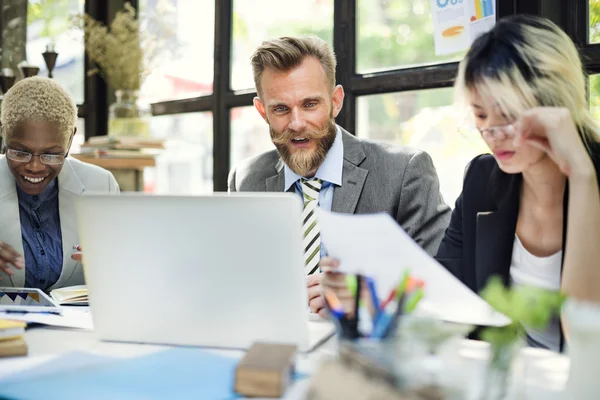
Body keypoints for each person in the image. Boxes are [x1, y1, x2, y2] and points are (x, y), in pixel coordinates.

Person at [322, 15, 600, 352]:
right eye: (481, 116)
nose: (493, 135)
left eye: (508, 114)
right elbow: (446, 300)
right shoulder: (483, 179)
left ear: (554, 101)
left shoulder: (591, 177)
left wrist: (584, 178)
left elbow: (587, 337)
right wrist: (372, 294)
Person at [228, 36, 451, 317]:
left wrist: (364, 297)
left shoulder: (405, 172)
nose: (297, 123)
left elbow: (441, 286)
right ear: (262, 111)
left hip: (367, 354)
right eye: (281, 109)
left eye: (310, 105)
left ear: (336, 101)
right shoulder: (246, 180)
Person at [0, 76, 119, 291]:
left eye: (52, 154)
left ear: (70, 139)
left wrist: (116, 264)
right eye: (21, 152)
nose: (35, 167)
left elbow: (121, 278)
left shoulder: (101, 186)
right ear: (4, 133)